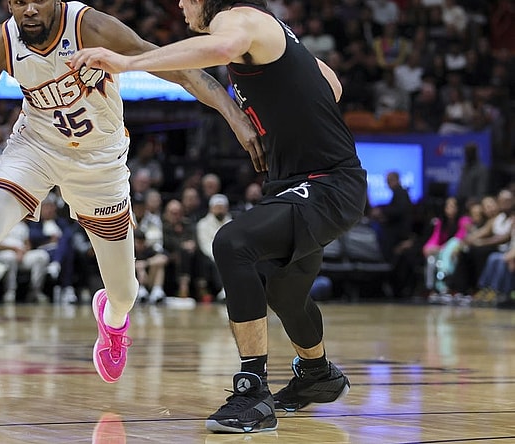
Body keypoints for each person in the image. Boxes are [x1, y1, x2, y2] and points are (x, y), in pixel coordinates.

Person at [0, 0, 263, 413]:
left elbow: (179, 69)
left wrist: (233, 115)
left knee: (126, 293)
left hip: (100, 162)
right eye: (20, 2)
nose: (31, 8)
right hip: (34, 149)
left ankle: (112, 318)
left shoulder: (92, 27)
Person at [71, 0, 367, 433]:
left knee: (233, 243)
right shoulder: (270, 30)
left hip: (325, 183)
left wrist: (126, 61)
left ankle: (253, 392)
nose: (181, 4)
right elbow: (332, 84)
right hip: (304, 182)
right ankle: (318, 375)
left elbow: (223, 46)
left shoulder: (236, 18)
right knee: (285, 292)